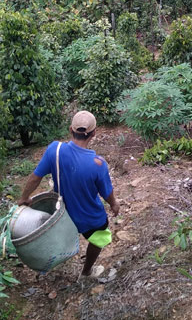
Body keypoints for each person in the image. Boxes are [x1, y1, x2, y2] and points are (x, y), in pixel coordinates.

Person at [18, 110, 120, 277]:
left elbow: (36, 177)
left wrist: (24, 197)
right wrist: (114, 204)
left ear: (70, 130)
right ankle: (86, 271)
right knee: (99, 236)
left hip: (63, 215)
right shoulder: (98, 164)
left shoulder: (54, 150)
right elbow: (106, 193)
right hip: (90, 218)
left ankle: (54, 260)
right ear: (94, 133)